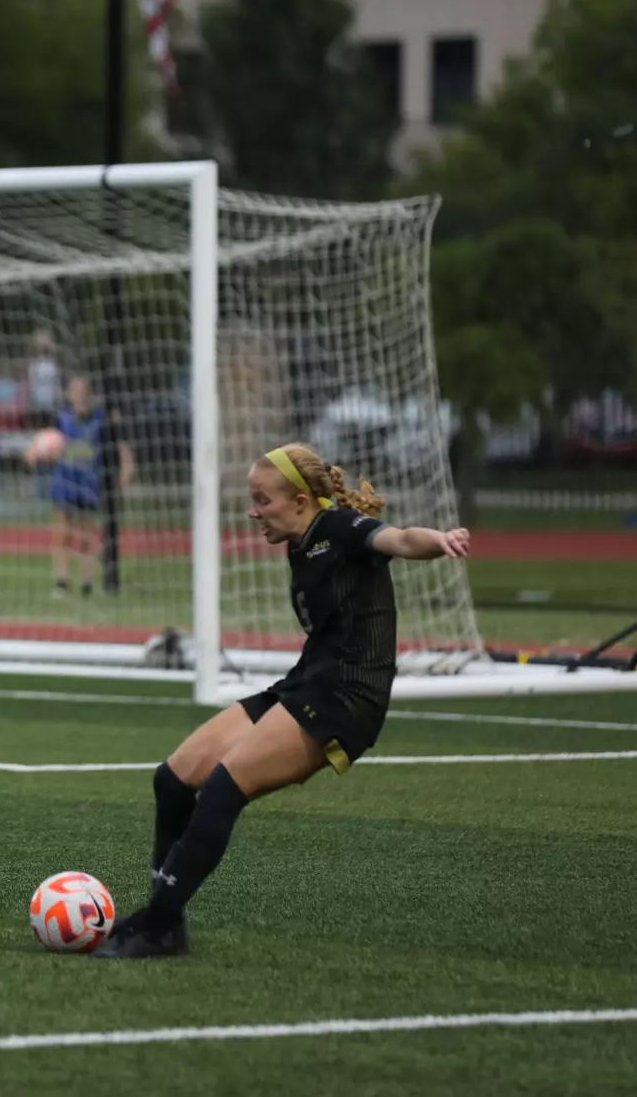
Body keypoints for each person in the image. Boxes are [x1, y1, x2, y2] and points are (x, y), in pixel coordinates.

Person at [94, 444, 471, 959]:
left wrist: (441, 541)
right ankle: (167, 918)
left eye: (262, 500)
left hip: (345, 698)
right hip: (304, 684)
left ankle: (157, 925)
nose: (254, 512)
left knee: (223, 788)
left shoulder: (338, 526)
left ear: (299, 502)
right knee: (174, 778)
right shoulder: (300, 541)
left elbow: (400, 539)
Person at [28, 375, 133, 599]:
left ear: (90, 395)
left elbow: (122, 450)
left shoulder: (101, 420)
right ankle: (62, 584)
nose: (79, 396)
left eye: (83, 391)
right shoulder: (61, 419)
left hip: (89, 482)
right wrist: (34, 452)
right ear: (69, 395)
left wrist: (124, 474)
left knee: (87, 536)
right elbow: (46, 444)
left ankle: (87, 584)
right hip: (64, 480)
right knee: (62, 533)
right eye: (75, 391)